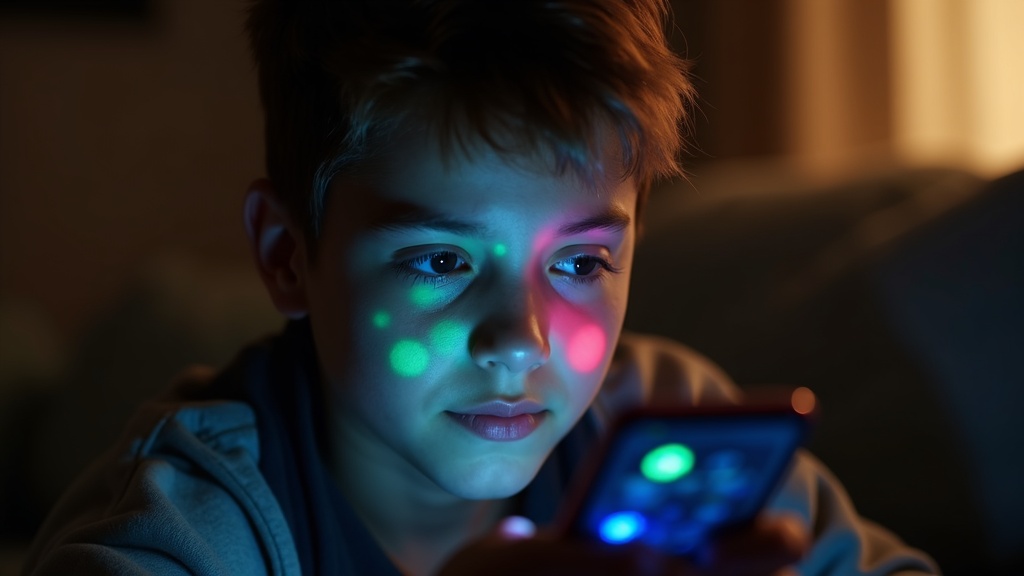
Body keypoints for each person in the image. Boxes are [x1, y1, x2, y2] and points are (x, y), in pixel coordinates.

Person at [22, 0, 940, 574]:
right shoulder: (177, 533)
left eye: (579, 263)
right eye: (441, 261)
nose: (521, 340)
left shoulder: (664, 419)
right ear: (285, 254)